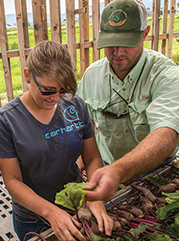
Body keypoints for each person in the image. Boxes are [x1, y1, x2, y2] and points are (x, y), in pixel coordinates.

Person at [0, 40, 112, 241]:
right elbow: (12, 181)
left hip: (75, 204)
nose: (55, 98)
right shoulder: (7, 120)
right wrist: (51, 212)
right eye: (47, 90)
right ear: (28, 75)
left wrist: (93, 195)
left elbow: (91, 158)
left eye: (62, 90)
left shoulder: (76, 106)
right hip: (34, 217)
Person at [77, 0, 179, 201]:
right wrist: (84, 161)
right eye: (111, 43)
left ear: (145, 34)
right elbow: (82, 125)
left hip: (158, 171)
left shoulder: (165, 75)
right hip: (106, 168)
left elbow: (166, 134)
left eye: (127, 43)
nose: (117, 53)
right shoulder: (92, 76)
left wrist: (119, 171)